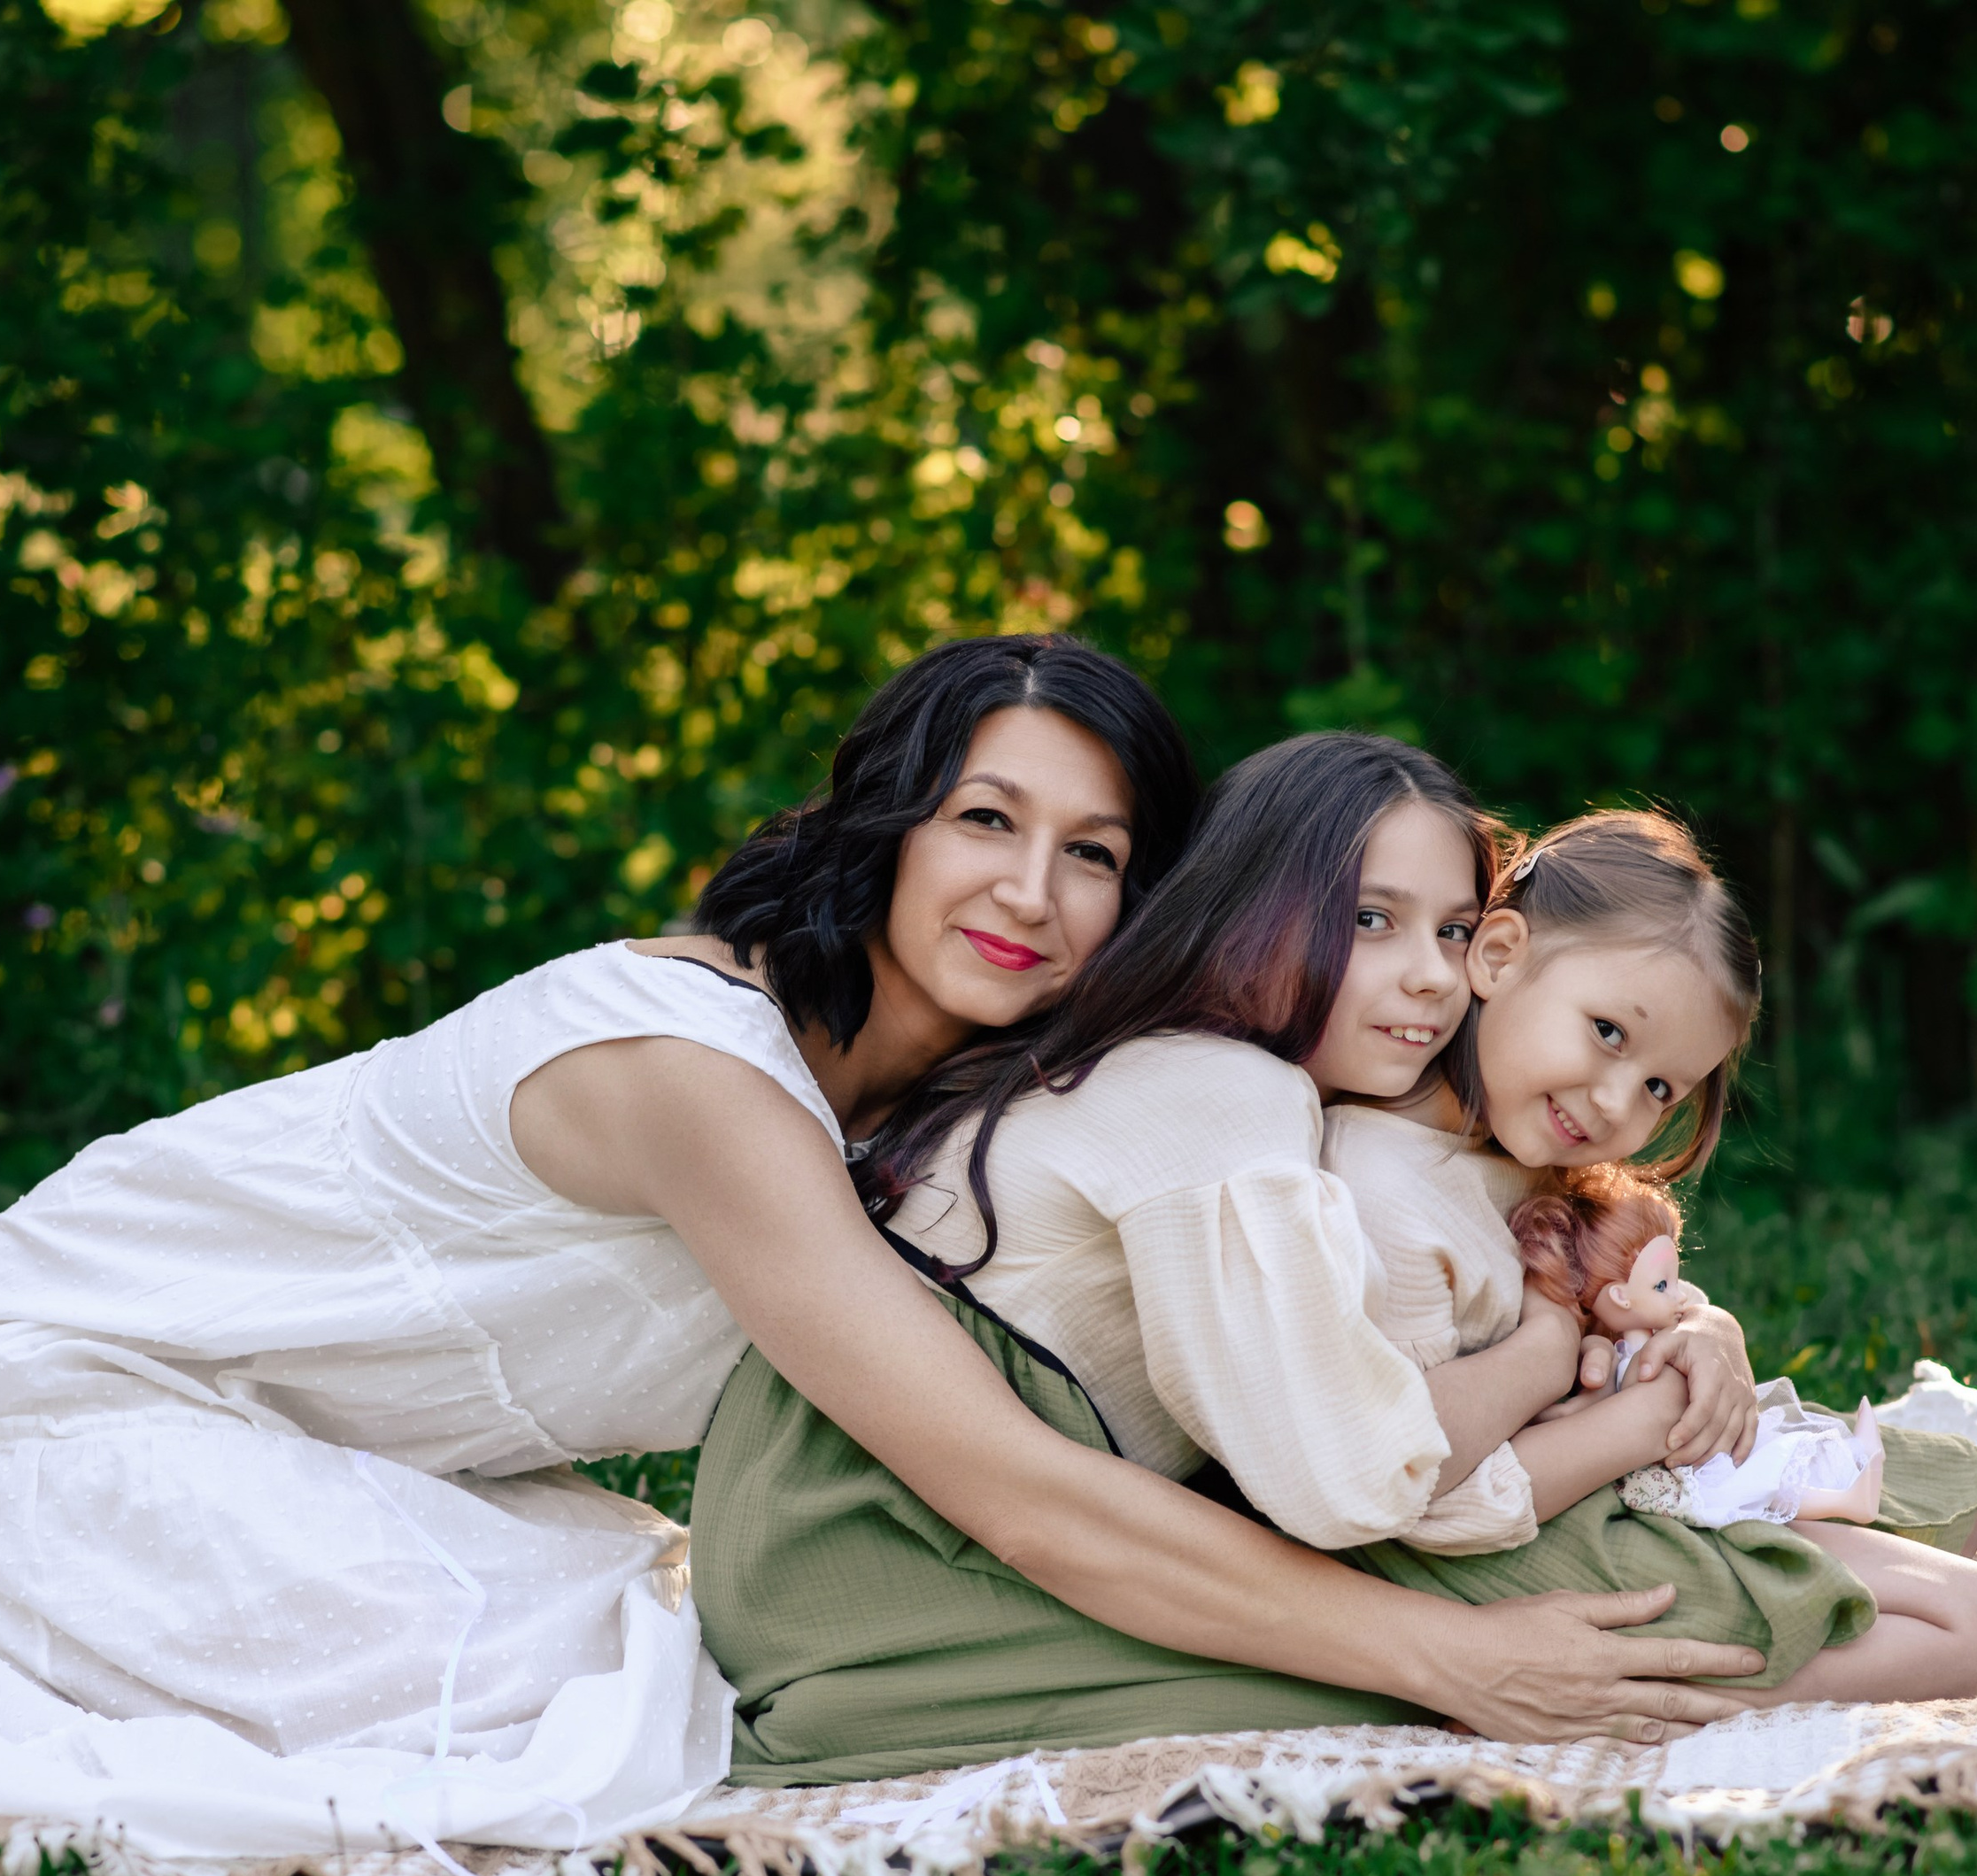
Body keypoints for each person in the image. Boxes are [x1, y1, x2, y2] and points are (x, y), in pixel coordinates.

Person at [0, 633, 1206, 1856]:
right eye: (985, 820)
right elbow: (1014, 1491)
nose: (1030, 892)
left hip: (319, 1445)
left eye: (1092, 853)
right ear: (886, 828)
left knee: (717, 1639)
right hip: (57, 1406)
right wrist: (1359, 1644)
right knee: (651, 1694)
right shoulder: (699, 1074)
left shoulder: (944, 1119)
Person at [689, 736, 1777, 1786]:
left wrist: (1693, 1326)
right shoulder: (1225, 1095)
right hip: (868, 1539)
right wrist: (1549, 1348)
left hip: (890, 1518)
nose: (1428, 979)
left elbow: (1529, 1259)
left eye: (1452, 931)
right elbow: (1355, 1478)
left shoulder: (1290, 1092)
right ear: (1253, 903)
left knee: (1493, 1646)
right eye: (1369, 920)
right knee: (1490, 1669)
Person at [1319, 811, 1977, 1702]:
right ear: (1500, 955)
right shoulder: (1379, 1190)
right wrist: (1643, 1419)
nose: (1615, 1102)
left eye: (1660, 1086)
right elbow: (1418, 1496)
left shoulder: (1511, 1152)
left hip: (1622, 1480)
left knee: (1956, 1497)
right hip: (1507, 1552)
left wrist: (1706, 1329)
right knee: (1964, 1624)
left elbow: (1629, 1292)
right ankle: (1650, 1684)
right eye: (1608, 1032)